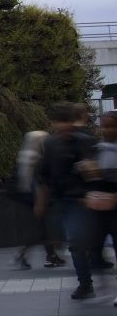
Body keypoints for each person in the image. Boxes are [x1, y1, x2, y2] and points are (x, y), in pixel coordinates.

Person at [38, 104, 99, 299]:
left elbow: (96, 172)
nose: (64, 127)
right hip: (64, 200)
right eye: (60, 122)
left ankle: (87, 279)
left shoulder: (86, 141)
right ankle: (86, 282)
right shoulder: (51, 144)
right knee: (76, 241)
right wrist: (43, 197)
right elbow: (44, 172)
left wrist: (88, 172)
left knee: (79, 240)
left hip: (84, 199)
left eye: (67, 122)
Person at [11, 130, 65, 270]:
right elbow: (37, 181)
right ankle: (27, 255)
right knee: (42, 230)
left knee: (43, 230)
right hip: (38, 198)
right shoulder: (36, 157)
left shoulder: (25, 155)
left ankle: (50, 256)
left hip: (30, 198)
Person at [79, 111, 117, 305]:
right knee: (94, 248)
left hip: (113, 204)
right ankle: (105, 286)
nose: (105, 130)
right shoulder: (97, 149)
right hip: (98, 206)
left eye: (110, 126)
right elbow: (90, 176)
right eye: (103, 126)